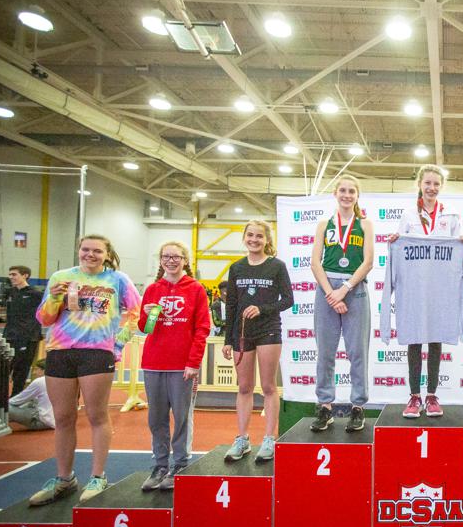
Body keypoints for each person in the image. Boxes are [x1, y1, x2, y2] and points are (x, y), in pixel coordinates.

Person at [29, 234, 141, 505]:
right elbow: (43, 318)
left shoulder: (117, 279)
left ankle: (98, 476)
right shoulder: (61, 277)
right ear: (78, 250)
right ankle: (64, 478)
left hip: (96, 353)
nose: (90, 255)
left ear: (106, 254)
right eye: (85, 249)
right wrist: (54, 299)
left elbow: (137, 314)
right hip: (60, 351)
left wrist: (118, 344)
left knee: (97, 415)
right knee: (63, 417)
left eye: (97, 251)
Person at [387, 164, 463, 419]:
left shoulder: (452, 215)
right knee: (414, 339)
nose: (432, 188)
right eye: (428, 183)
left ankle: (432, 395)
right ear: (420, 185)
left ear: (441, 187)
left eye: (436, 184)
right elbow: (401, 243)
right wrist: (395, 240)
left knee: (435, 340)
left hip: (439, 289)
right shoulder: (408, 213)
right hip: (414, 289)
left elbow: (456, 247)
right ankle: (414, 396)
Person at [138, 242, 211, 491]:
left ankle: (180, 463)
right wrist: (147, 316)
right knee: (156, 418)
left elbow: (202, 328)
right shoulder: (152, 290)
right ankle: (159, 465)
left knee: (181, 418)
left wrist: (193, 363)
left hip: (182, 366)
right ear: (160, 260)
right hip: (154, 363)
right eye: (166, 256)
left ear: (185, 260)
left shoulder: (196, 289)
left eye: (176, 256)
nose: (171, 260)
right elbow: (144, 329)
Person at [221, 220, 293, 462]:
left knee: (269, 386)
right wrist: (227, 339)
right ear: (244, 237)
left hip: (268, 331)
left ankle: (269, 439)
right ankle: (242, 439)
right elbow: (230, 305)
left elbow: (288, 300)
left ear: (267, 240)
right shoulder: (237, 268)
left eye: (259, 236)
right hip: (242, 334)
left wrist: (262, 309)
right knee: (243, 387)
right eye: (250, 235)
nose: (254, 240)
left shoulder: (276, 266)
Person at [310, 175, 375, 433]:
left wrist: (345, 289)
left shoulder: (365, 224)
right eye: (343, 191)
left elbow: (368, 261)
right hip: (327, 287)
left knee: (357, 352)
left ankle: (357, 406)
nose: (347, 195)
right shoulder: (324, 224)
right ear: (335, 194)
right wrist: (331, 293)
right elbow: (316, 262)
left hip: (355, 287)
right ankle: (325, 406)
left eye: (352, 191)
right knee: (325, 352)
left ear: (357, 195)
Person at [4, 265, 44, 395]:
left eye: (14, 274)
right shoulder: (10, 292)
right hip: (9, 336)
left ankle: (15, 398)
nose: (11, 277)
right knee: (4, 368)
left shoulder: (36, 294)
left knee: (21, 370)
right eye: (10, 274)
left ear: (25, 275)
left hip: (28, 337)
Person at [8, 359, 54, 431]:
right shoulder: (60, 380)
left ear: (44, 370)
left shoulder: (40, 381)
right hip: (56, 421)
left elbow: (17, 400)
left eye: (36, 369)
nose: (34, 373)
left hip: (42, 421)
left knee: (5, 407)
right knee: (29, 402)